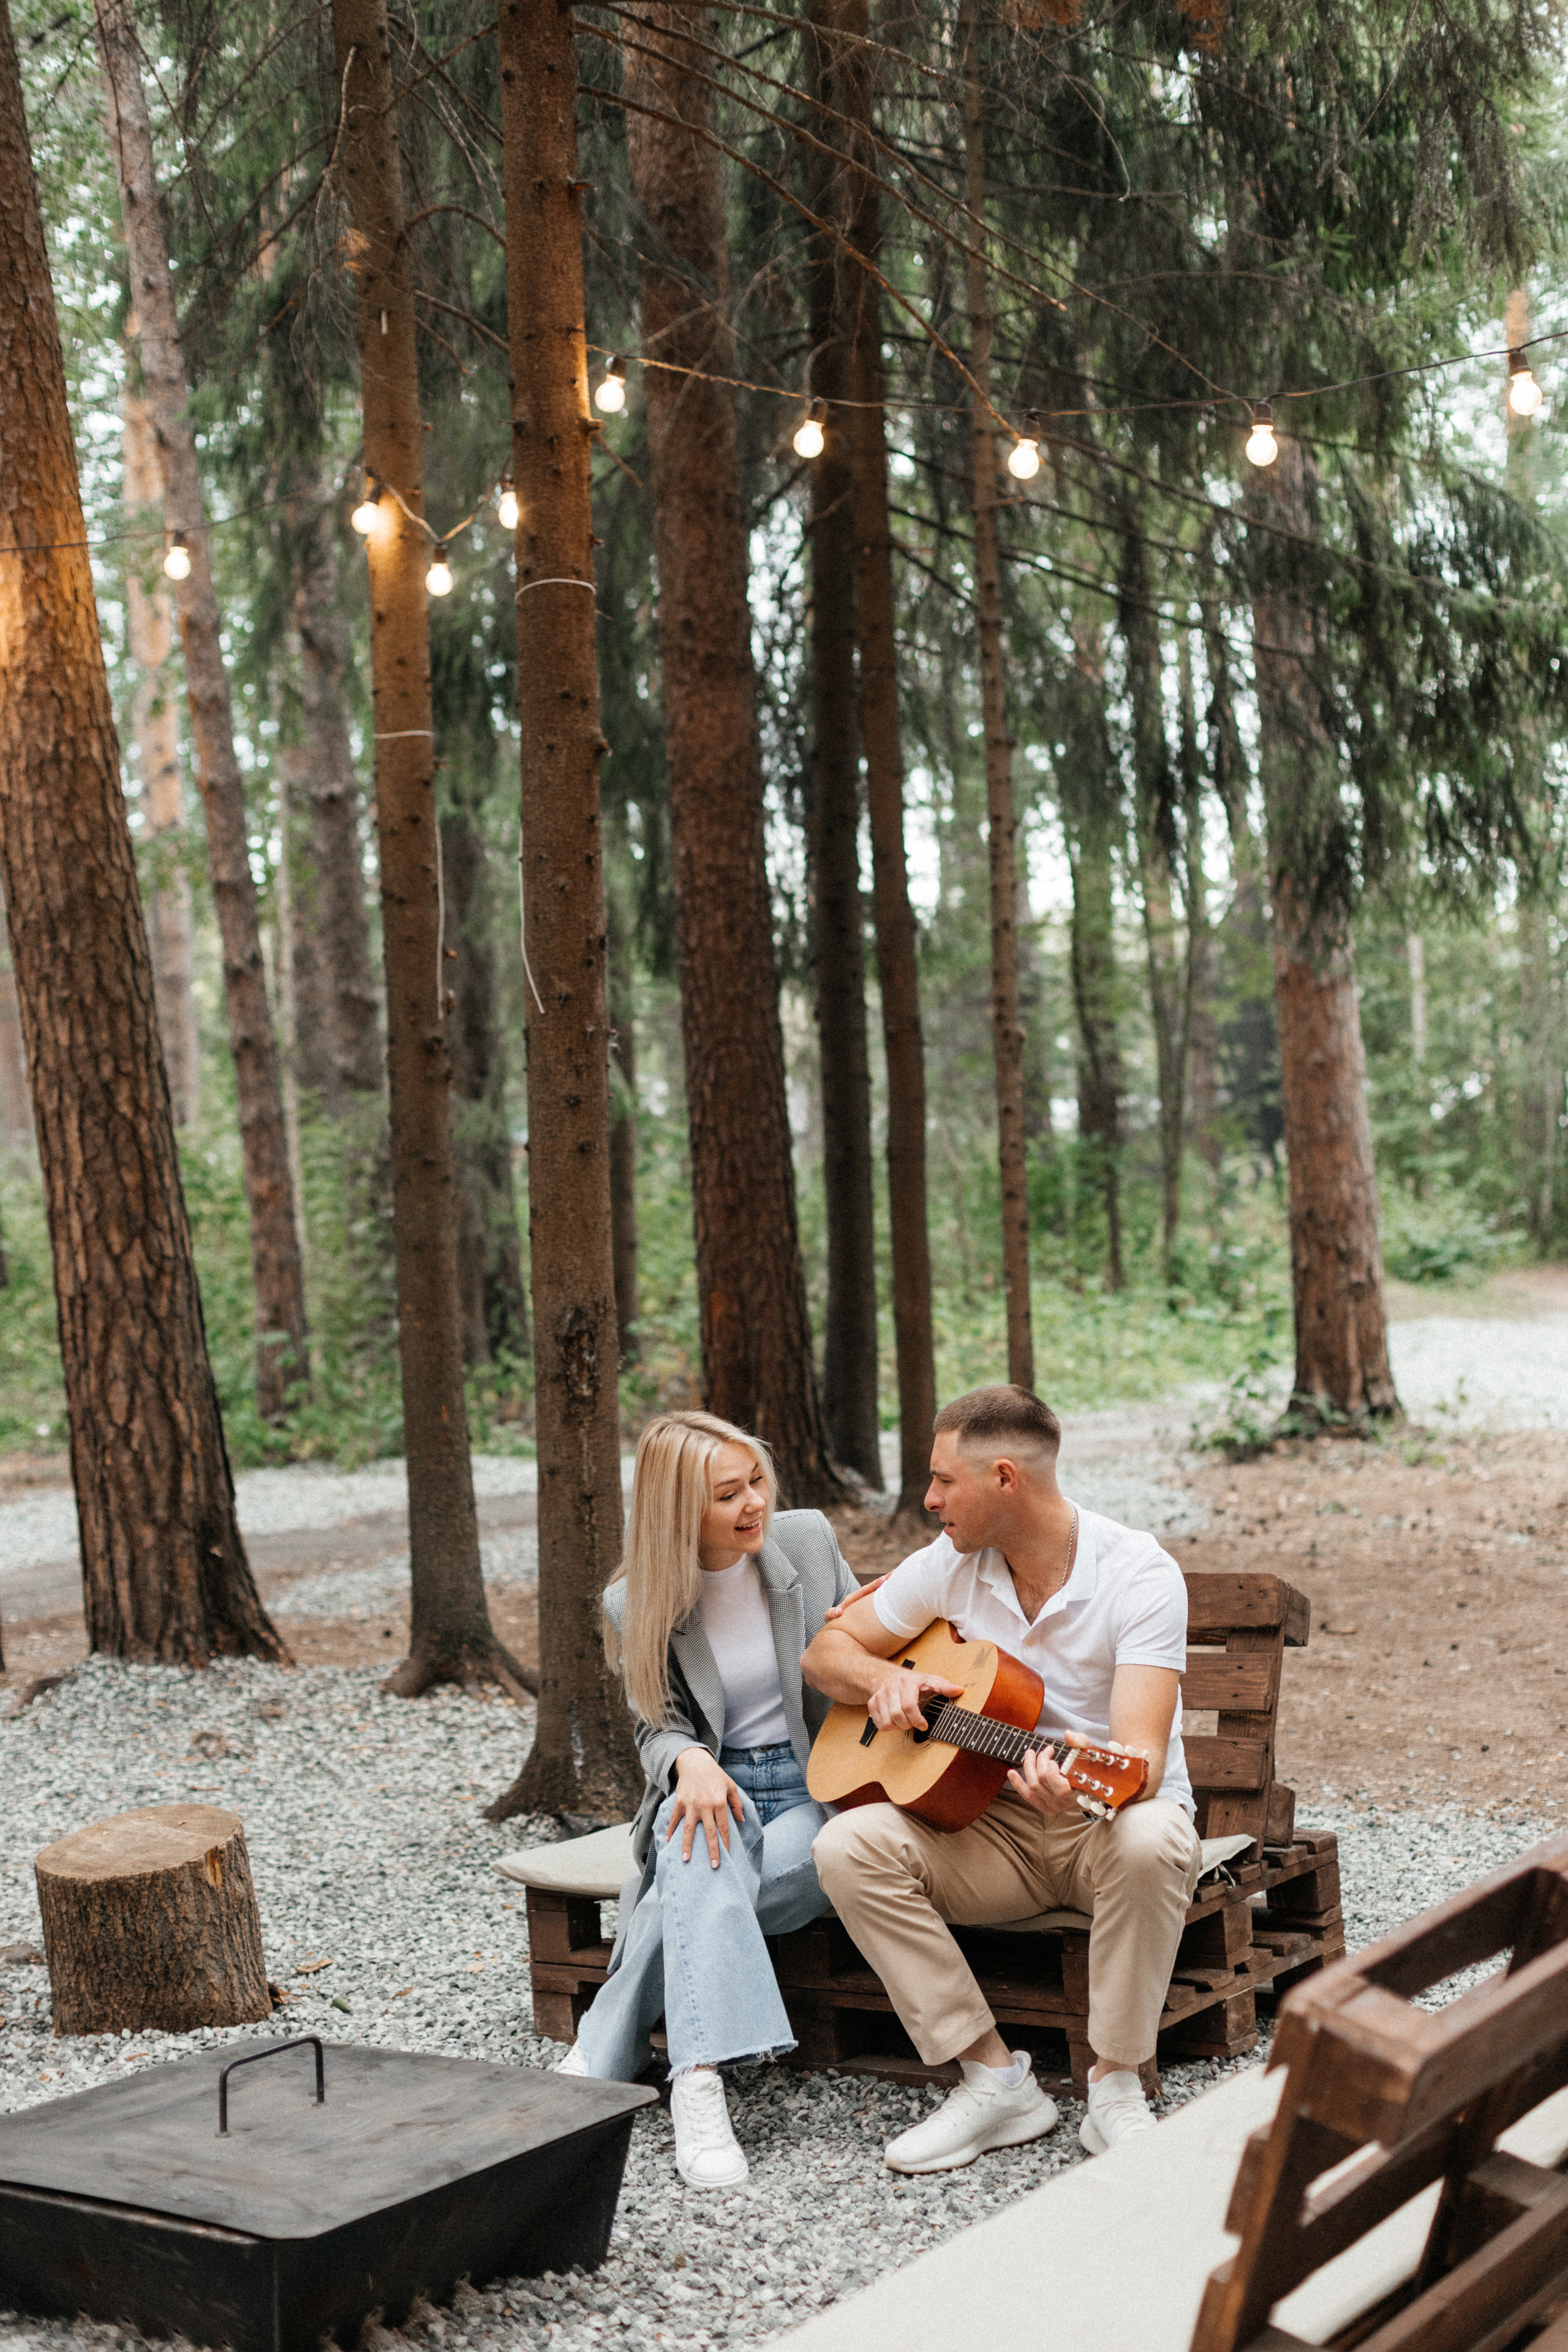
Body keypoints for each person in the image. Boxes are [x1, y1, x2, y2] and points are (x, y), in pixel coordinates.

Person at [802, 1383, 1199, 2175]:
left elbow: (1142, 1763)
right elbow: (824, 1656)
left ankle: (1116, 2084)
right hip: (988, 1828)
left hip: (1104, 1821)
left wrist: (1080, 1791)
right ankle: (994, 2079)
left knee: (1154, 1837)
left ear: (1005, 1479)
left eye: (944, 1480)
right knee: (846, 1846)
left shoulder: (1138, 1574)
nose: (929, 1498)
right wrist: (887, 1679)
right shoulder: (949, 1564)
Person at [553, 1409, 858, 2192]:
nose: (755, 1502)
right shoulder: (636, 1601)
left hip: (819, 1789)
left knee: (686, 1889)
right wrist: (689, 1759)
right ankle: (700, 2086)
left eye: (755, 1480)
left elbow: (865, 1647)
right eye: (728, 1495)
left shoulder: (807, 1542)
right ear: (677, 1512)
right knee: (692, 1835)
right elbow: (655, 1725)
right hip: (717, 1790)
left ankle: (612, 2041)